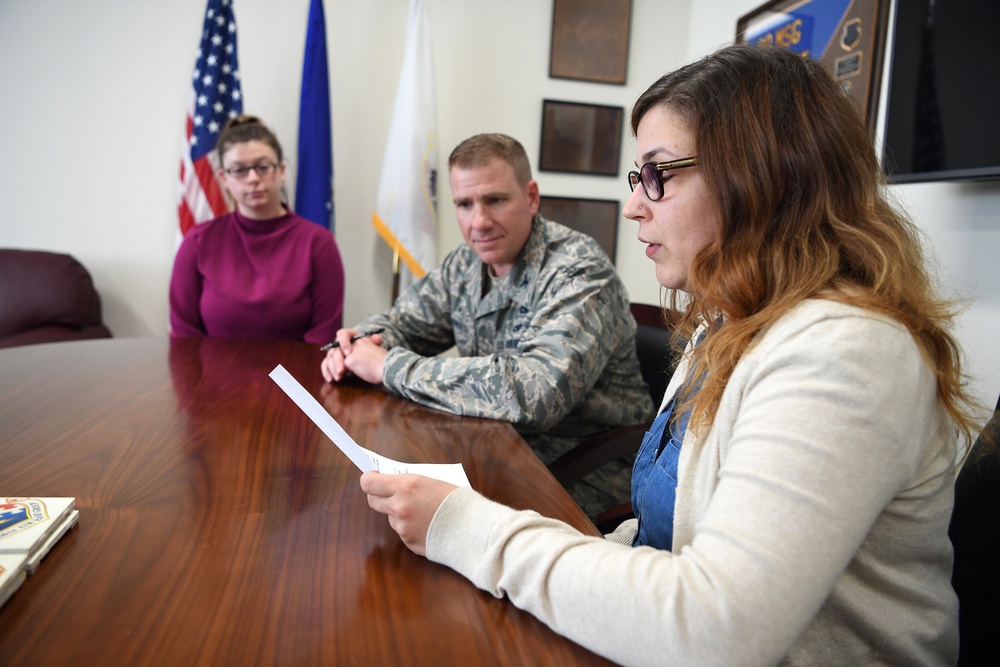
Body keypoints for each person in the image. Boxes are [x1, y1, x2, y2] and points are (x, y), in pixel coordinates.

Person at [356, 45, 987, 666]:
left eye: (657, 174)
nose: (633, 205)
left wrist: (466, 527)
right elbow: (667, 538)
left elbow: (716, 630)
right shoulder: (728, 319)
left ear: (762, 178)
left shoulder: (846, 351)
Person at [321, 133, 654, 516]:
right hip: (494, 446)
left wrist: (387, 366)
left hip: (585, 467)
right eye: (464, 204)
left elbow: (535, 393)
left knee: (424, 521)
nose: (479, 221)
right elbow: (404, 323)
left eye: (495, 200)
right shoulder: (465, 264)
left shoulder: (579, 270)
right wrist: (357, 344)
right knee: (367, 502)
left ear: (531, 197)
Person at [170, 115, 345, 344]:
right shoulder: (197, 242)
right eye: (239, 170)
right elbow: (184, 339)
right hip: (216, 378)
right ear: (223, 178)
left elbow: (323, 338)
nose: (253, 178)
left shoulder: (318, 243)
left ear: (281, 171)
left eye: (263, 167)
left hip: (294, 379)